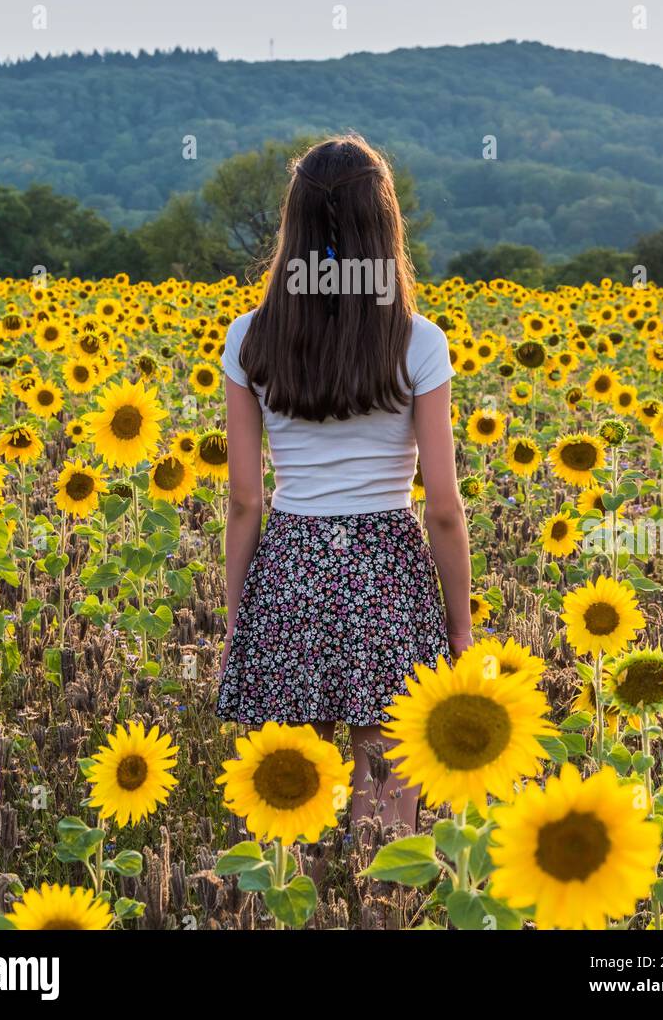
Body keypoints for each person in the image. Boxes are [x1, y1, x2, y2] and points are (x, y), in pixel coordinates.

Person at [217, 134, 472, 828]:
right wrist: (460, 624)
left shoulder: (249, 337)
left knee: (287, 795)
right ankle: (375, 904)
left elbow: (245, 499)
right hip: (389, 569)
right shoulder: (419, 341)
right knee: (386, 790)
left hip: (291, 563)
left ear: (293, 225)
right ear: (383, 223)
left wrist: (241, 613)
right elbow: (443, 508)